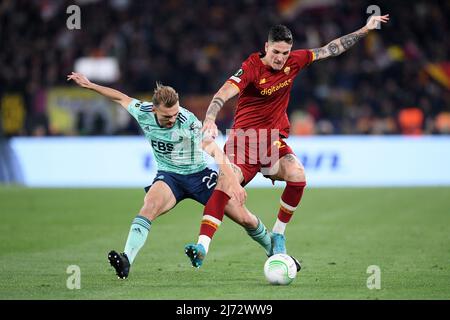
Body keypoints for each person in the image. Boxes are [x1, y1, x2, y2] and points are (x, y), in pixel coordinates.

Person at [185, 14, 390, 266]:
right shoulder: (250, 67)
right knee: (225, 186)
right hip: (244, 142)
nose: (281, 57)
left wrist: (365, 29)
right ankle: (202, 247)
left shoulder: (295, 61)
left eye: (285, 52)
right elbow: (222, 94)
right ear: (266, 47)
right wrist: (210, 119)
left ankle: (278, 235)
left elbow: (330, 49)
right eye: (276, 52)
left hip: (272, 142)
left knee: (297, 174)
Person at [67, 72, 275, 278]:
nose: (173, 119)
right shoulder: (143, 111)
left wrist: (234, 183)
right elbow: (120, 97)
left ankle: (273, 250)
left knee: (244, 218)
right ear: (155, 109)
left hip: (200, 176)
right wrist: (90, 85)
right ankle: (126, 260)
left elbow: (215, 151)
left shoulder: (187, 121)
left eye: (175, 114)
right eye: (168, 116)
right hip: (170, 176)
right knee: (149, 206)